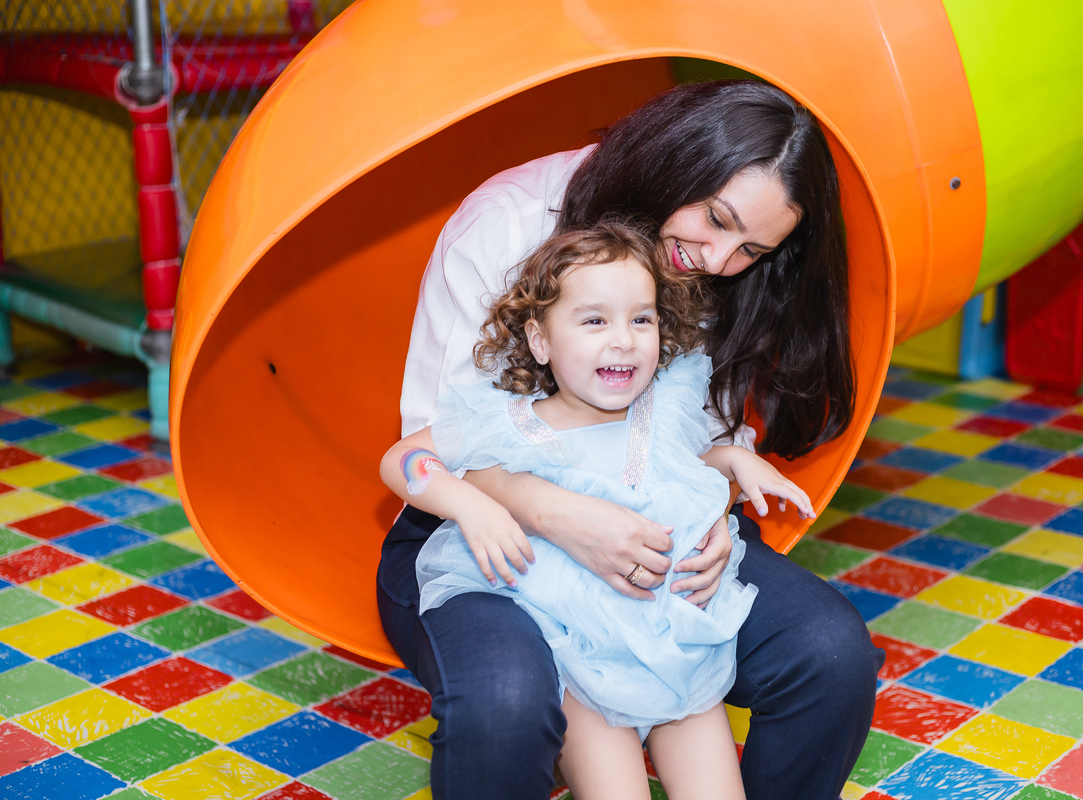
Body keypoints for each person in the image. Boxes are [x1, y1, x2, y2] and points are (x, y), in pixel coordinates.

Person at [377, 79, 885, 800]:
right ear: (676, 161)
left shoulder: (704, 280)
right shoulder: (511, 221)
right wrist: (556, 515)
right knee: (508, 701)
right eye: (716, 218)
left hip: (655, 541)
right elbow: (433, 447)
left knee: (829, 654)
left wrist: (718, 498)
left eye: (751, 248)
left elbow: (695, 433)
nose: (717, 259)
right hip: (501, 533)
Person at [382, 223, 816, 799]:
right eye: (594, 321)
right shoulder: (509, 423)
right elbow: (402, 459)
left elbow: (685, 470)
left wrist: (734, 459)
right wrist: (467, 503)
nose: (624, 340)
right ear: (540, 340)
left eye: (641, 319)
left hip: (674, 639)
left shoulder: (661, 411)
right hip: (578, 656)